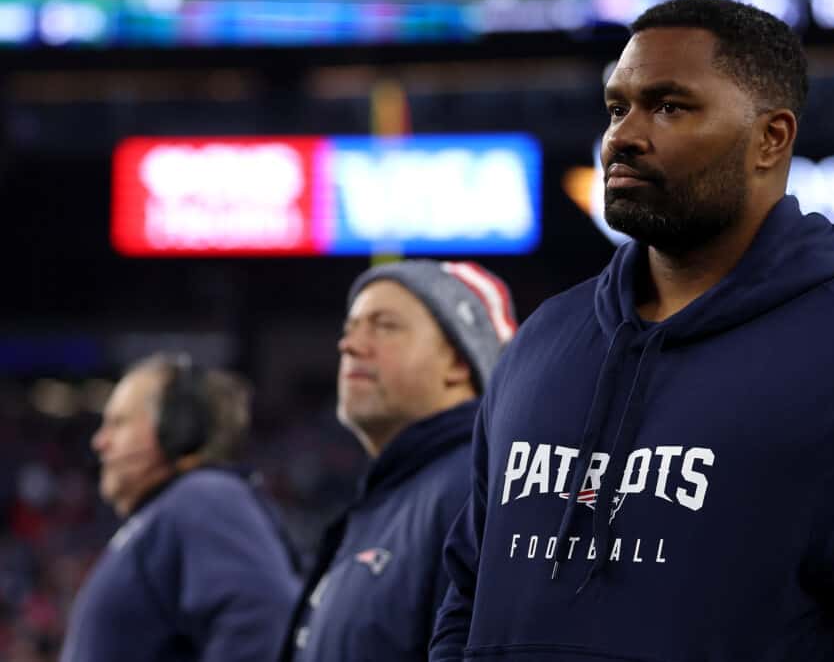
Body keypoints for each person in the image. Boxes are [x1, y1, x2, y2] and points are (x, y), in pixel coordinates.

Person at [431, 0, 834, 662]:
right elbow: (465, 594)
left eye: (670, 106)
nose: (623, 135)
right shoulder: (541, 342)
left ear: (772, 138)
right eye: (618, 107)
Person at [278, 260, 517, 662]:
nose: (349, 345)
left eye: (384, 325)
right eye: (350, 328)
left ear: (459, 362)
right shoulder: (393, 492)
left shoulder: (470, 487)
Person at [61, 353, 301, 662]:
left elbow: (264, 612)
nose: (100, 442)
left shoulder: (204, 496)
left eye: (117, 423)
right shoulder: (168, 511)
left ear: (176, 430)